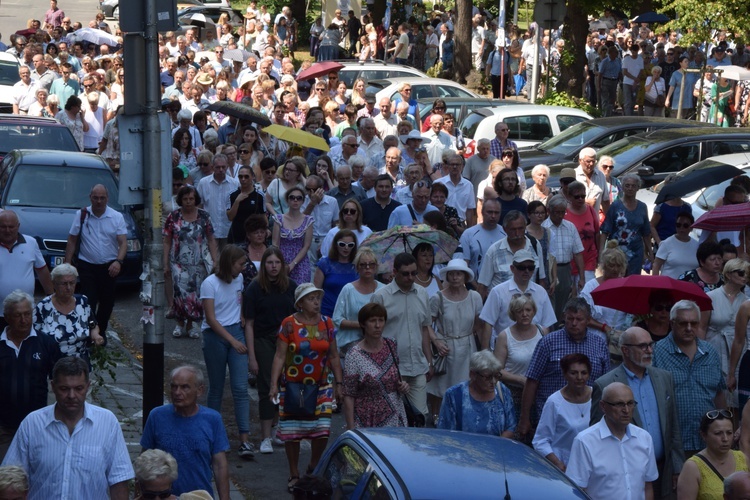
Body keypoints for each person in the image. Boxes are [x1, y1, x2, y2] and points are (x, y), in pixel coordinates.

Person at [2, 357, 134, 499]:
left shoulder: (107, 423)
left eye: (78, 389)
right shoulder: (32, 424)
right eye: (64, 389)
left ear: (88, 386)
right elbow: (10, 479)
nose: (72, 396)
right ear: (53, 386)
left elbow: (119, 481)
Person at [592, 327, 685, 499]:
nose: (649, 350)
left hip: (663, 470)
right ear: (625, 350)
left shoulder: (665, 378)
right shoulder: (605, 384)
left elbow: (673, 426)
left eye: (651, 345)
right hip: (626, 474)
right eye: (643, 346)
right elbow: (597, 435)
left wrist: (678, 466)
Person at [269, 283, 343, 493]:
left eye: (318, 298)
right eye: (311, 299)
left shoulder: (328, 324)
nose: (316, 302)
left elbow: (334, 356)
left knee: (321, 431)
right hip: (293, 385)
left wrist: (339, 384)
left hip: (321, 386)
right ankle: (294, 473)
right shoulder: (289, 324)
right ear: (300, 303)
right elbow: (280, 356)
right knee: (292, 431)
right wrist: (274, 384)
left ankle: (312, 467)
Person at [517, 298, 610, 437]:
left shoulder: (599, 344)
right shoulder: (548, 342)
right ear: (564, 318)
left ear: (588, 320)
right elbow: (532, 380)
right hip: (552, 419)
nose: (574, 323)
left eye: (579, 319)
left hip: (589, 420)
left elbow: (605, 384)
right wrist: (524, 418)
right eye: (570, 318)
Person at [141, 366, 230, 498]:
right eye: (174, 387)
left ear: (199, 390)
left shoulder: (212, 419)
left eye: (185, 387)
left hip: (198, 496)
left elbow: (219, 465)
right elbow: (144, 460)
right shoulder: (157, 416)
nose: (177, 392)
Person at [200, 245, 254, 458]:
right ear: (229, 264)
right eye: (241, 264)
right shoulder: (209, 284)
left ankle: (245, 440)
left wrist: (240, 315)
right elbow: (211, 319)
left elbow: (237, 299)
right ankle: (211, 436)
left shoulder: (238, 279)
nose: (244, 268)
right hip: (216, 336)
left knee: (240, 388)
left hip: (234, 332)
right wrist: (232, 340)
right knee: (217, 387)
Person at [653, 300, 727, 455]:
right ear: (672, 323)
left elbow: (719, 394)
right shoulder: (657, 352)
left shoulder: (710, 353)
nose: (688, 328)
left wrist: (724, 428)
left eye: (693, 324)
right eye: (683, 323)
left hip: (708, 442)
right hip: (672, 443)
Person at [243, 247, 297, 455]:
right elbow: (249, 323)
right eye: (269, 263)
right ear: (264, 265)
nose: (274, 267)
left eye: (277, 263)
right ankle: (265, 436)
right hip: (264, 340)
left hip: (286, 341)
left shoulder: (291, 286)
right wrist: (252, 357)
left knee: (286, 385)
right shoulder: (254, 289)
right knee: (267, 385)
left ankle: (276, 428)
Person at [371, 253, 434, 421]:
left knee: (420, 417)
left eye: (414, 273)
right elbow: (372, 333)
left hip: (418, 366)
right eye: (406, 273)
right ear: (394, 272)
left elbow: (425, 329)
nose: (411, 277)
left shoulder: (422, 294)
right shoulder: (381, 296)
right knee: (392, 417)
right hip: (390, 367)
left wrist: (429, 361)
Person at [567, 382, 659, 499]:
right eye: (619, 404)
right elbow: (577, 491)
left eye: (630, 403)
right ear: (603, 406)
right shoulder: (585, 442)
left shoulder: (644, 438)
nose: (626, 410)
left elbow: (647, 485)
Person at [0, 291, 61, 461]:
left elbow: (61, 380)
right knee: (6, 477)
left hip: (38, 426)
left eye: (27, 314)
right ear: (6, 317)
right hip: (3, 427)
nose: (23, 320)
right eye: (18, 315)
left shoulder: (46, 344)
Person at [64, 184, 127, 340]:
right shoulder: (82, 215)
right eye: (96, 198)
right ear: (90, 197)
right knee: (88, 301)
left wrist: (118, 262)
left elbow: (123, 243)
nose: (99, 201)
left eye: (102, 198)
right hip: (87, 266)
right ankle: (90, 333)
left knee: (107, 303)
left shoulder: (116, 217)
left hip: (109, 267)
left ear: (107, 198)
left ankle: (101, 332)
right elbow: (72, 240)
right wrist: (67, 265)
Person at [427, 259, 483, 421]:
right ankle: (437, 416)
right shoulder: (438, 298)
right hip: (446, 346)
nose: (455, 277)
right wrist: (437, 341)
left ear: (465, 276)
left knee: (466, 384)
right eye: (451, 274)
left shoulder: (475, 297)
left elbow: (479, 324)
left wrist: (482, 349)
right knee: (441, 385)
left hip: (467, 346)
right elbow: (426, 325)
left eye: (459, 274)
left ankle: (463, 416)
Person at [164, 185, 219, 339]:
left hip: (199, 263)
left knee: (196, 295)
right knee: (180, 294)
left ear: (196, 200)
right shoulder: (173, 216)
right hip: (178, 262)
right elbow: (167, 240)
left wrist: (215, 261)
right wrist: (165, 263)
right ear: (180, 200)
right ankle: (180, 323)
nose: (188, 202)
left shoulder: (204, 216)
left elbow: (211, 239)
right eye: (185, 199)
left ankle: (192, 324)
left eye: (191, 199)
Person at [343, 302, 409, 429]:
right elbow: (349, 395)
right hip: (367, 418)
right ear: (363, 324)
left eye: (381, 320)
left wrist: (404, 386)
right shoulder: (353, 355)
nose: (378, 325)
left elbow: (396, 378)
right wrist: (351, 429)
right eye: (372, 321)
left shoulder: (391, 344)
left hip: (395, 416)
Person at [480, 249, 556, 350]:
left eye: (530, 267)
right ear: (512, 268)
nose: (526, 271)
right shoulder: (498, 291)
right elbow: (488, 323)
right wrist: (485, 352)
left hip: (535, 348)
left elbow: (547, 324)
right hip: (504, 348)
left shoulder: (541, 292)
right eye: (521, 267)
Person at [701, 258, 748, 408]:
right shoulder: (711, 297)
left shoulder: (746, 301)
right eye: (740, 273)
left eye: (747, 274)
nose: (745, 276)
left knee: (736, 395)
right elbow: (702, 327)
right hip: (714, 346)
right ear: (728, 274)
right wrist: (700, 352)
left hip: (739, 350)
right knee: (715, 393)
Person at [533, 353, 592, 471]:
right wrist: (558, 464)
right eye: (574, 373)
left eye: (583, 373)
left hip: (592, 464)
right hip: (564, 466)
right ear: (565, 374)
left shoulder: (597, 397)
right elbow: (540, 441)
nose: (579, 377)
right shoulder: (554, 402)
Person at [33, 264, 104, 363]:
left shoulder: (82, 302)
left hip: (79, 362)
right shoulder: (43, 307)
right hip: (52, 363)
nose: (68, 287)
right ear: (54, 284)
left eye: (72, 283)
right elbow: (33, 335)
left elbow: (92, 324)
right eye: (64, 283)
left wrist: (96, 335)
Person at [437, 350, 516, 436]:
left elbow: (511, 427)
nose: (493, 381)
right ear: (473, 375)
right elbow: (445, 432)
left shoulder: (502, 391)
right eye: (488, 377)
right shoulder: (453, 395)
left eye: (496, 376)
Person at [0, 211, 53, 331]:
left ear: (18, 226)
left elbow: (42, 270)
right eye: (3, 226)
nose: (7, 230)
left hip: (25, 313)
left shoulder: (31, 243)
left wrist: (50, 296)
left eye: (11, 226)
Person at [677, 409, 747, 499]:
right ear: (704, 435)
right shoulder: (692, 467)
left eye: (729, 433)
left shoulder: (742, 458)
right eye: (718, 433)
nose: (725, 439)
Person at [580, 241, 631, 358]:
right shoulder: (591, 287)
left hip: (618, 343)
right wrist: (605, 328)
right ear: (604, 266)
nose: (615, 269)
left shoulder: (626, 287)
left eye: (618, 265)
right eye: (611, 265)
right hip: (594, 340)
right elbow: (583, 317)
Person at [332, 248, 385, 356]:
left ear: (376, 267)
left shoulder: (384, 289)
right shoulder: (348, 289)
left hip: (377, 341)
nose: (367, 268)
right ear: (357, 267)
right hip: (352, 342)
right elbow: (337, 319)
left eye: (371, 264)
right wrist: (362, 325)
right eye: (363, 265)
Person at [543, 195, 586, 320]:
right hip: (548, 270)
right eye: (557, 212)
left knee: (563, 305)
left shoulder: (570, 227)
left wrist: (581, 278)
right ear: (549, 211)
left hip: (565, 269)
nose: (561, 215)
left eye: (563, 212)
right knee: (549, 303)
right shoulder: (543, 228)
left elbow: (578, 253)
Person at [600, 174, 652, 276]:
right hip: (616, 252)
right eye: (627, 185)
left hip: (636, 252)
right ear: (623, 187)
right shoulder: (615, 205)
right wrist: (601, 252)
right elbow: (605, 230)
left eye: (633, 185)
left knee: (633, 282)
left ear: (638, 187)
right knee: (616, 281)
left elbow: (646, 233)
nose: (630, 188)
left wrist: (650, 252)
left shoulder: (642, 207)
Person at [272, 187, 314, 285]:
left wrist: (293, 264)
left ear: (303, 201)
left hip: (300, 262)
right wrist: (281, 263)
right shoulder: (279, 219)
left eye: (299, 198)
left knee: (300, 292)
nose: (295, 200)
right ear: (287, 200)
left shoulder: (308, 220)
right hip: (281, 261)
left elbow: (306, 246)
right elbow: (275, 244)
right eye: (292, 197)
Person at [460, 198, 506, 283]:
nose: (493, 216)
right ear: (482, 212)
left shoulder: (506, 234)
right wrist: (477, 288)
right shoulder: (468, 234)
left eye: (496, 213)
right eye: (489, 212)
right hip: (474, 286)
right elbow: (464, 265)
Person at [313, 229, 358, 318]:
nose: (346, 248)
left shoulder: (358, 264)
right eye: (342, 244)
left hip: (351, 314)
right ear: (336, 245)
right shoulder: (324, 264)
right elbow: (316, 292)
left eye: (350, 245)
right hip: (327, 313)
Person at [565, 181, 600, 286]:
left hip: (589, 258)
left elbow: (597, 233)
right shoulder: (564, 213)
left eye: (583, 196)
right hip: (570, 260)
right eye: (577, 197)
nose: (580, 199)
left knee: (587, 290)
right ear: (569, 197)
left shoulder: (590, 210)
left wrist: (599, 253)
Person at [652, 212, 699, 279]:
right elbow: (656, 266)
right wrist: (655, 284)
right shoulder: (666, 244)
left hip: (690, 286)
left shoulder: (697, 245)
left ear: (691, 227)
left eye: (685, 225)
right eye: (678, 225)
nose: (681, 228)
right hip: (669, 286)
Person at [226, 165, 265, 245]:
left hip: (253, 235)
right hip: (236, 234)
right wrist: (237, 201)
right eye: (240, 177)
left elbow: (263, 216)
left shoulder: (259, 195)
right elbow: (230, 217)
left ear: (253, 177)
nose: (243, 179)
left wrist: (264, 230)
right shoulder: (232, 195)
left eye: (246, 177)